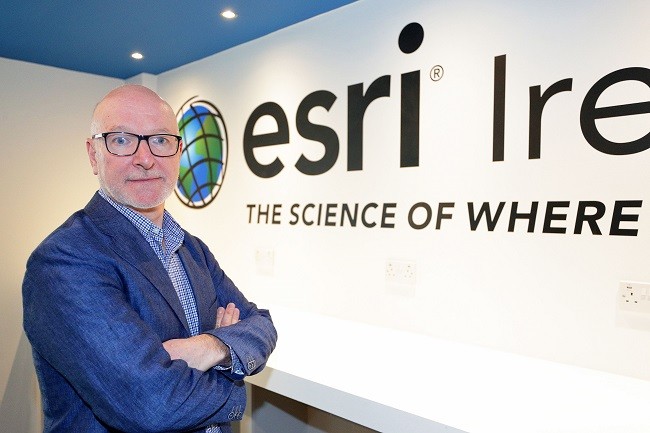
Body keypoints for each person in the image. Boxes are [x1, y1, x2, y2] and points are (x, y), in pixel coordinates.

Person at [22, 84, 277, 432]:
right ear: (93, 154)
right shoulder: (63, 261)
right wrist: (234, 385)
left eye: (160, 140)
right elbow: (153, 405)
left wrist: (208, 346)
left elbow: (260, 323)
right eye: (123, 140)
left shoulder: (191, 248)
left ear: (178, 152)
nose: (145, 158)